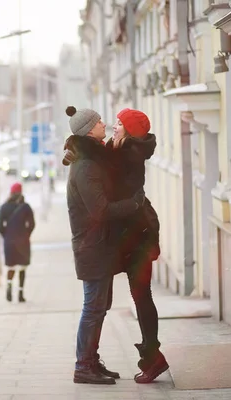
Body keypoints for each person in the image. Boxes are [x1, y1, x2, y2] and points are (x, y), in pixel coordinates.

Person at [64, 106, 145, 385]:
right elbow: (99, 209)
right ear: (88, 129)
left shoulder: (90, 158)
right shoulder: (85, 166)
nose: (104, 124)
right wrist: (133, 204)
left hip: (98, 244)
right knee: (93, 306)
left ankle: (91, 361)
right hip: (92, 245)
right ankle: (83, 365)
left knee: (99, 305)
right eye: (98, 121)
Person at [108, 108, 168, 383]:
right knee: (142, 296)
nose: (114, 127)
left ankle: (154, 359)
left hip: (138, 238)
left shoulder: (127, 156)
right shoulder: (127, 151)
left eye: (119, 124)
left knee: (142, 296)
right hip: (139, 235)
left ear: (130, 130)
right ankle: (152, 358)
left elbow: (120, 196)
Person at [0, 182, 35, 303]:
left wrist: (6, 235)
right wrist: (26, 234)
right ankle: (20, 293)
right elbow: (32, 224)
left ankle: (9, 287)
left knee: (11, 267)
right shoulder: (25, 207)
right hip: (23, 241)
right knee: (22, 268)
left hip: (9, 241)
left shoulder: (4, 207)